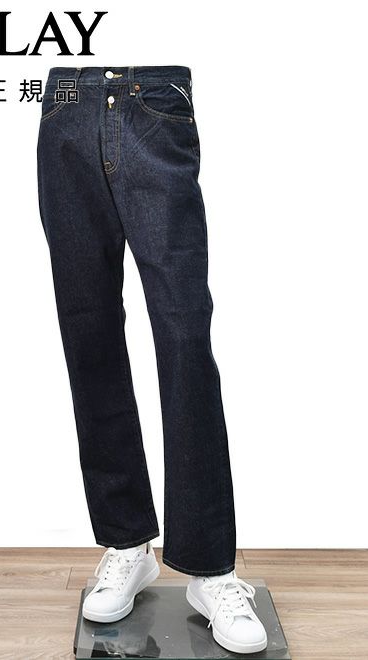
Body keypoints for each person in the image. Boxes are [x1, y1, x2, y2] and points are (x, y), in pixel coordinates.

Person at [37, 65, 267, 654]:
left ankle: (211, 569)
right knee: (88, 332)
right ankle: (126, 542)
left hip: (156, 109)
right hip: (67, 107)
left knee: (184, 333)